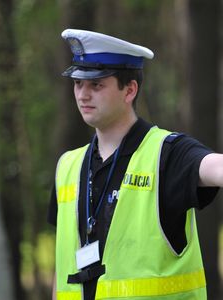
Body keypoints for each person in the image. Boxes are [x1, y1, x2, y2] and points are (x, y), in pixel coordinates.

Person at [47, 28, 223, 300]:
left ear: (130, 90)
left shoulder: (166, 154)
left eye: (96, 85)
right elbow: (63, 267)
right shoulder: (67, 166)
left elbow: (215, 168)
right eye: (78, 83)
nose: (82, 95)